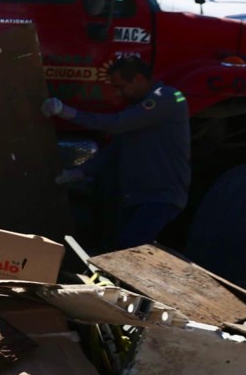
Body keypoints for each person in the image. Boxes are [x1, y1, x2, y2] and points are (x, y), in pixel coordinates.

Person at [43, 55, 191, 250]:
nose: (119, 93)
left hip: (160, 195)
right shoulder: (137, 110)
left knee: (131, 247)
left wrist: (66, 112)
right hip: (136, 196)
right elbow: (113, 151)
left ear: (138, 79)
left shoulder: (168, 98)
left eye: (121, 86)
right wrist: (79, 173)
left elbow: (115, 124)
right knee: (122, 248)